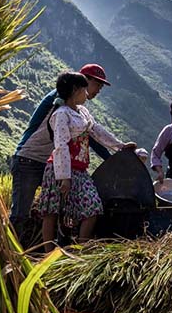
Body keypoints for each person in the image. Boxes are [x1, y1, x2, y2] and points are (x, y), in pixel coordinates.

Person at [35, 72, 136, 252]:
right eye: (83, 90)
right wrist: (64, 177)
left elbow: (97, 131)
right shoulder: (61, 115)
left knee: (93, 207)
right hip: (60, 169)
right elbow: (61, 146)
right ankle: (47, 255)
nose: (87, 94)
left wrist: (119, 146)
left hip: (80, 170)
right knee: (51, 212)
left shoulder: (82, 112)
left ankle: (81, 251)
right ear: (75, 90)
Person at [9, 64, 112, 237]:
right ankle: (8, 255)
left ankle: (51, 251)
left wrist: (113, 156)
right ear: (82, 83)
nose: (98, 91)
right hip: (29, 160)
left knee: (57, 210)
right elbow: (85, 138)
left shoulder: (77, 107)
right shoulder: (61, 101)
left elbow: (89, 133)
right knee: (20, 214)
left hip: (53, 164)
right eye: (97, 85)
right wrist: (111, 159)